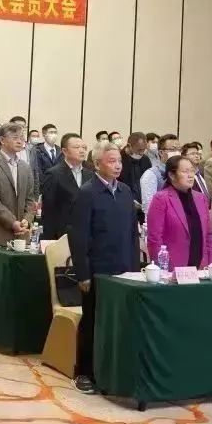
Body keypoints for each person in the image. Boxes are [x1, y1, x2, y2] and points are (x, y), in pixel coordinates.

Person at [68, 140, 139, 395]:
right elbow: (78, 236)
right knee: (92, 321)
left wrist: (134, 268)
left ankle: (111, 370)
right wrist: (83, 273)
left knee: (119, 322)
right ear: (97, 164)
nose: (118, 165)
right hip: (97, 270)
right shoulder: (87, 192)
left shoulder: (126, 191)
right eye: (111, 161)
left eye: (119, 161)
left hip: (123, 269)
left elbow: (132, 234)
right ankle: (83, 372)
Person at [146, 155, 212, 270]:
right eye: (185, 171)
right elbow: (155, 238)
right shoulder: (161, 199)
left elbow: (208, 235)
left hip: (201, 267)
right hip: (172, 267)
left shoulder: (201, 198)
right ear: (172, 175)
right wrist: (162, 268)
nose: (190, 175)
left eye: (192, 171)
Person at [0, 123, 39, 246]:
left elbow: (30, 199)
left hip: (22, 234)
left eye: (22, 138)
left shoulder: (25, 167)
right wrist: (12, 222)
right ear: (2, 140)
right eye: (15, 138)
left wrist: (27, 220)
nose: (20, 141)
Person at [39, 133, 92, 240]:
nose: (82, 150)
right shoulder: (53, 174)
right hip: (61, 234)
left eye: (84, 147)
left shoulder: (90, 175)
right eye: (76, 147)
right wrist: (50, 239)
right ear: (64, 151)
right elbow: (48, 211)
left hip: (85, 234)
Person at [139, 134, 180, 213]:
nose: (177, 152)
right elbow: (149, 208)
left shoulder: (180, 173)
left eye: (179, 149)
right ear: (161, 152)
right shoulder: (151, 175)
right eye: (173, 149)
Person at [119, 132, 150, 201]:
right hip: (124, 199)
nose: (141, 153)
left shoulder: (146, 160)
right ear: (129, 146)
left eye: (144, 150)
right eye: (139, 150)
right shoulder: (118, 160)